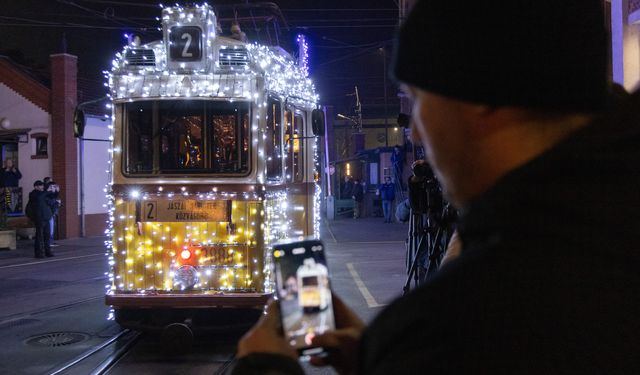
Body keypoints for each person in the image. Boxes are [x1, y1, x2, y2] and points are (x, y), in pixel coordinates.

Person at [231, 1, 640, 374]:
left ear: (481, 95)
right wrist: (384, 358)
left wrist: (266, 368)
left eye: (420, 99)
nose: (415, 134)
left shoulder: (471, 317)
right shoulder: (601, 230)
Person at [26, 180, 56, 258]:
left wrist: (55, 191)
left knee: (47, 235)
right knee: (40, 236)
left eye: (42, 185)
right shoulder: (33, 194)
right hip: (39, 218)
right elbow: (40, 197)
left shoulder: (44, 194)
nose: (42, 187)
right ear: (35, 187)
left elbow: (52, 198)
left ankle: (47, 251)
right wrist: (47, 191)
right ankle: (39, 253)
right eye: (40, 185)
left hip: (47, 217)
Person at [45, 180, 61, 245]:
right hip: (48, 214)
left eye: (54, 186)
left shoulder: (52, 194)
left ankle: (50, 241)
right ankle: (49, 242)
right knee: (50, 228)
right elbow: (49, 201)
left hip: (52, 213)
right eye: (52, 186)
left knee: (52, 228)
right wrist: (56, 202)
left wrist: (57, 192)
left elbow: (54, 198)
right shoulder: (46, 194)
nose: (54, 188)